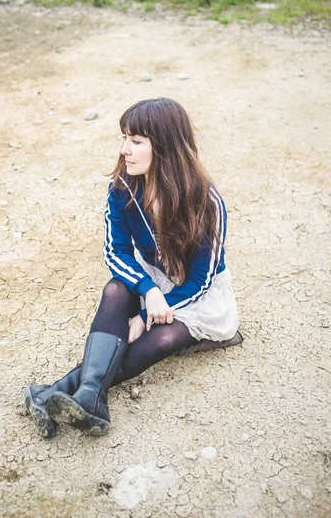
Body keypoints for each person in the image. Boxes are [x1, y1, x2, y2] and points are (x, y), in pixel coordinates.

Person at [24, 98, 241, 438]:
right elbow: (116, 252)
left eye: (136, 141)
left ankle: (51, 392)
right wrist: (149, 290)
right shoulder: (122, 187)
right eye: (124, 138)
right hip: (152, 277)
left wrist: (143, 317)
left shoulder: (206, 201)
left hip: (195, 295)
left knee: (161, 338)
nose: (125, 149)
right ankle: (91, 397)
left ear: (166, 146)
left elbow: (201, 279)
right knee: (115, 289)